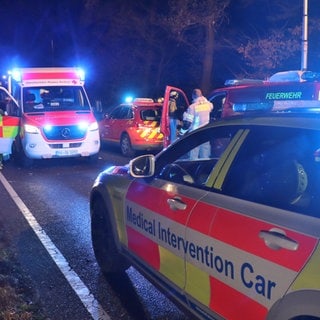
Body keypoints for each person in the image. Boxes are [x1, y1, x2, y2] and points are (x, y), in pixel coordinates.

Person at [182, 88, 213, 159]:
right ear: (201, 95)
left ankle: (192, 169)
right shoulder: (209, 105)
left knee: (193, 155)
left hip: (195, 133)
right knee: (205, 155)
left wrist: (181, 133)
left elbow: (187, 123)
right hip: (206, 132)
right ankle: (205, 169)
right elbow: (211, 107)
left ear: (193, 96)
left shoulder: (192, 107)